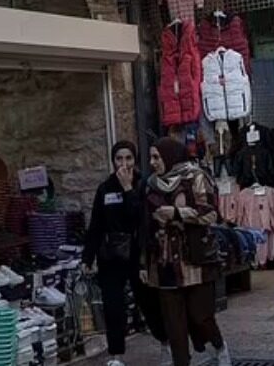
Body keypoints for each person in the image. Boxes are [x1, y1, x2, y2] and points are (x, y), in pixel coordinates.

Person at [142, 138, 232, 366]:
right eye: (151, 157)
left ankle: (218, 347)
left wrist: (176, 213)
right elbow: (144, 225)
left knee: (200, 315)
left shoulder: (195, 176)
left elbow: (210, 213)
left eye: (157, 157)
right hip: (164, 261)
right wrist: (144, 261)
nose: (153, 162)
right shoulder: (151, 184)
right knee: (174, 324)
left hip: (195, 259)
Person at [82, 141, 168, 366]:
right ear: (113, 161)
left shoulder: (144, 185)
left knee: (149, 303)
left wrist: (128, 188)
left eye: (128, 158)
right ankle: (116, 356)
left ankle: (165, 342)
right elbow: (96, 225)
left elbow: (139, 217)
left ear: (135, 160)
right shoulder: (105, 188)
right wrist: (87, 257)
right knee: (113, 307)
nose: (124, 164)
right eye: (119, 159)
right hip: (111, 256)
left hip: (138, 256)